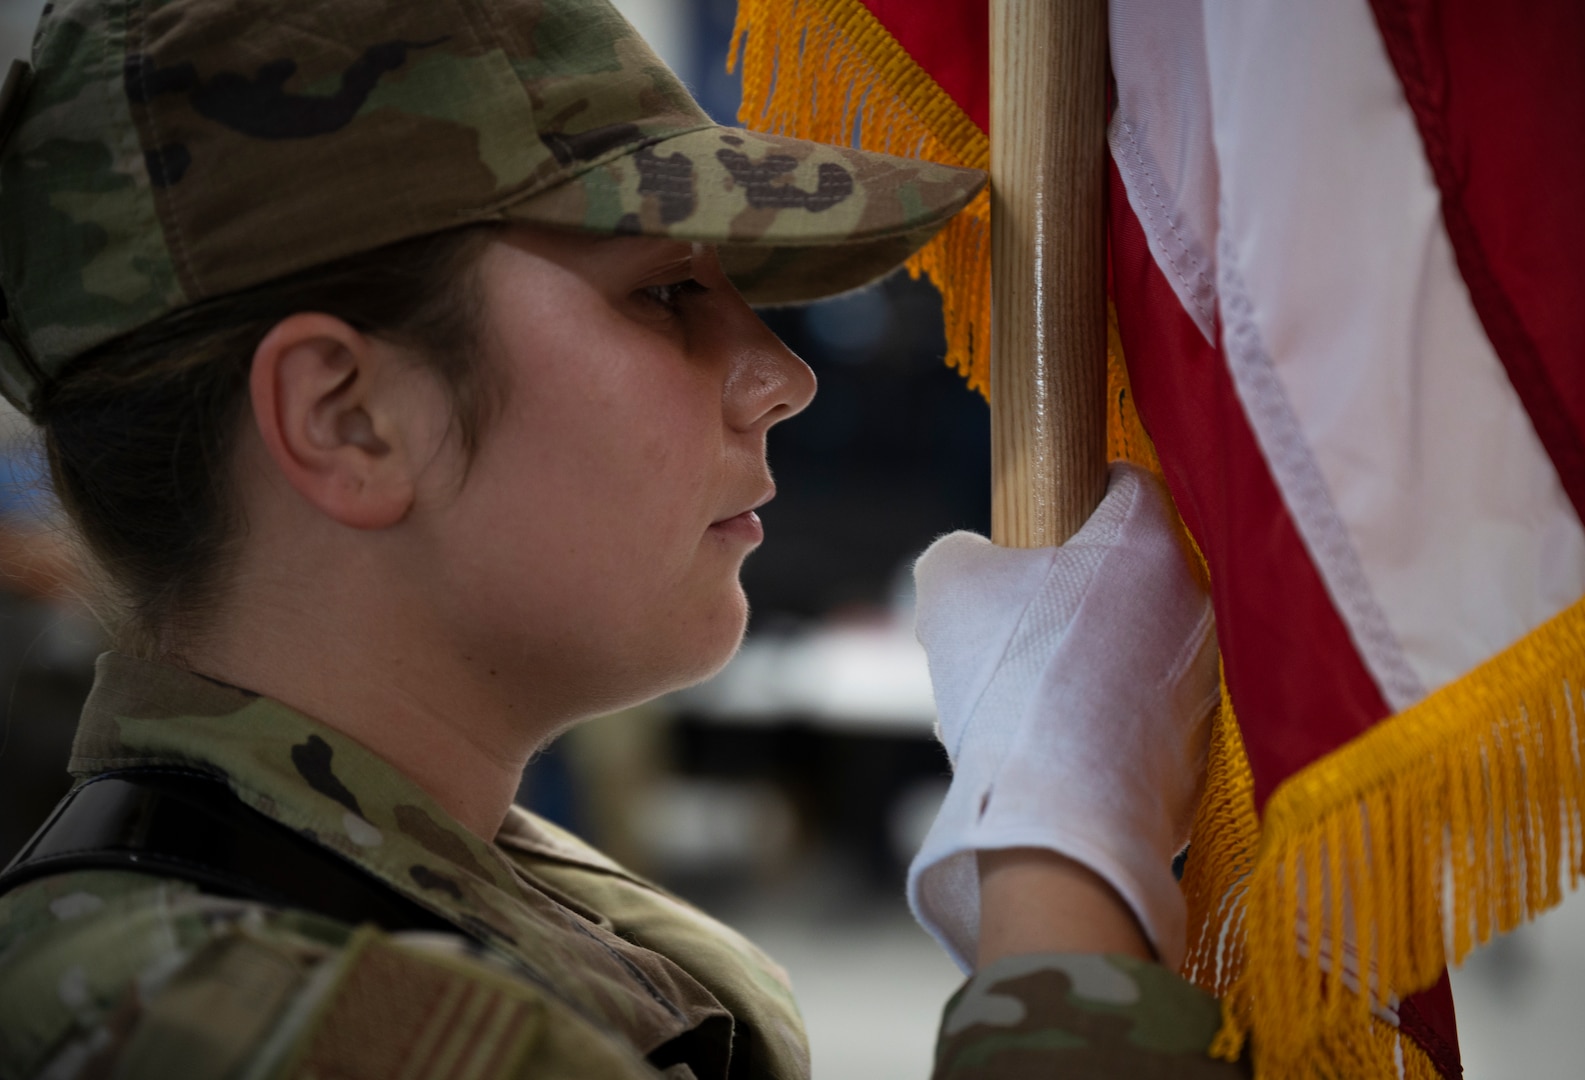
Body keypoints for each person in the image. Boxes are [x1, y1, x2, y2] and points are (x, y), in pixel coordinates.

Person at [0, 0, 1235, 1075]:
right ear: (348, 418)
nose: (780, 375)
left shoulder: (550, 934)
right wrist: (1056, 849)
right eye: (662, 292)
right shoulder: (226, 1019)